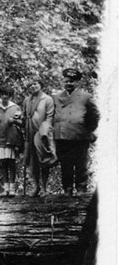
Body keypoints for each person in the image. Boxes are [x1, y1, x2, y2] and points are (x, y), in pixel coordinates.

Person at [53, 68, 99, 196]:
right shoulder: (56, 97)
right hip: (62, 136)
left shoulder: (85, 97)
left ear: (77, 83)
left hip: (80, 136)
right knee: (65, 164)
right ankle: (67, 189)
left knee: (80, 164)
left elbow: (94, 115)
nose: (69, 84)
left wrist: (87, 129)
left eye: (72, 81)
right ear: (63, 81)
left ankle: (81, 188)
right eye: (67, 81)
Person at [22, 78, 56, 197]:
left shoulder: (47, 99)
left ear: (41, 85)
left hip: (42, 133)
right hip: (29, 132)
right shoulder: (27, 100)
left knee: (44, 159)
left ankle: (44, 188)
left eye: (35, 83)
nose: (33, 86)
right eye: (31, 84)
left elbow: (50, 117)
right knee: (32, 161)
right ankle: (35, 187)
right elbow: (24, 116)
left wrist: (45, 132)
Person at [0, 86, 24, 197]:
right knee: (3, 164)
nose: (4, 97)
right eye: (2, 94)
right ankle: (5, 188)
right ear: (0, 96)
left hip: (12, 138)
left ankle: (12, 188)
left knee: (11, 164)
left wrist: (14, 120)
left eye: (7, 95)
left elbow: (22, 123)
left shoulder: (15, 107)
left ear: (10, 96)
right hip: (1, 138)